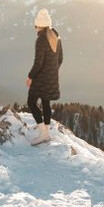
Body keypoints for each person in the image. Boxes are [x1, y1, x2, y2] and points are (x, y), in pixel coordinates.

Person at [26, 8, 62, 144]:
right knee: (46, 102)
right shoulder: (56, 37)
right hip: (52, 76)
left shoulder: (41, 40)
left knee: (31, 102)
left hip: (41, 78)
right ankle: (45, 130)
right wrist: (52, 71)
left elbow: (38, 62)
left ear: (40, 25)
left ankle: (43, 133)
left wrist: (30, 76)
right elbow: (60, 59)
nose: (35, 28)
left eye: (36, 25)